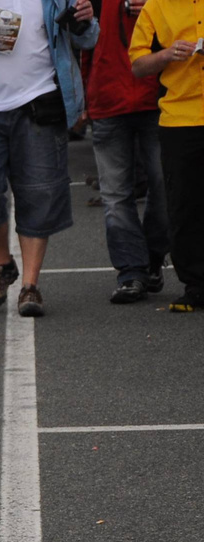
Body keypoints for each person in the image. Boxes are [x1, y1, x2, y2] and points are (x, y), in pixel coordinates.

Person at [0, 0, 98, 315]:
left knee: (40, 193)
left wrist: (85, 20)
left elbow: (88, 38)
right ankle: (3, 263)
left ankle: (30, 286)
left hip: (41, 101)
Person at [79, 0, 166, 302]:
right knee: (115, 194)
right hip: (107, 96)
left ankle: (152, 257)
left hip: (158, 96)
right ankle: (132, 271)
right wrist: (81, 94)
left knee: (166, 185)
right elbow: (82, 39)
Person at [130, 0, 204, 310]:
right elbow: (137, 65)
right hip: (180, 118)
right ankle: (196, 284)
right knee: (184, 205)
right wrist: (166, 54)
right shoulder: (156, 7)